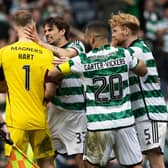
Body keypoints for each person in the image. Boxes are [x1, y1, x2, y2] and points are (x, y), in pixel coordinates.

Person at [47, 19, 148, 168]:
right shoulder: (123, 54)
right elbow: (142, 69)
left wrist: (63, 66)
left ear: (92, 38)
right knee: (135, 165)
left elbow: (53, 74)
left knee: (92, 165)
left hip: (99, 124)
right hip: (125, 122)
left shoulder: (82, 60)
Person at [24, 16, 87, 168]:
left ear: (62, 31)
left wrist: (40, 43)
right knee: (46, 155)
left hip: (77, 113)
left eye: (50, 30)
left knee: (81, 158)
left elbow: (67, 55)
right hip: (56, 111)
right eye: (44, 31)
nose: (46, 33)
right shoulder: (46, 53)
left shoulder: (77, 45)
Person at [109, 13, 168, 168]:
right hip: (139, 114)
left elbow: (108, 60)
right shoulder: (133, 51)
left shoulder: (136, 50)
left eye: (115, 31)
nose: (113, 36)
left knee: (155, 157)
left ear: (126, 31)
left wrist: (112, 46)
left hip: (150, 113)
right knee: (136, 160)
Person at [0, 10, 56, 168]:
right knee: (47, 163)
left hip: (15, 123)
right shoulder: (46, 54)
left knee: (16, 164)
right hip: (40, 120)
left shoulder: (4, 53)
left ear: (14, 27)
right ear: (34, 25)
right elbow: (50, 91)